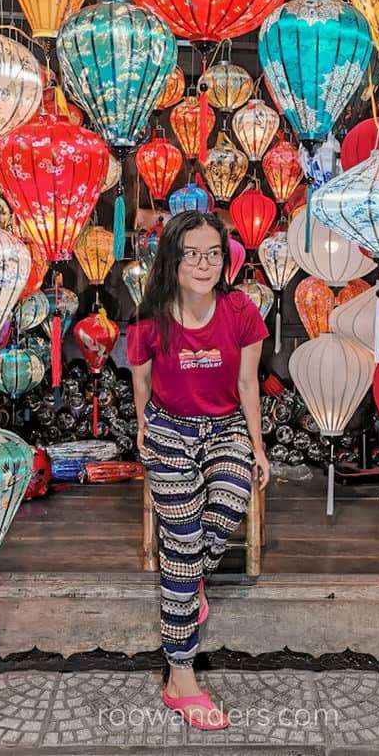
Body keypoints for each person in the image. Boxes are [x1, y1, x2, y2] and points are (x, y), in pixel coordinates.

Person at [127, 210, 270, 730]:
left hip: (226, 427)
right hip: (169, 430)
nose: (204, 263)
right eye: (192, 254)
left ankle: (190, 575)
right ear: (173, 259)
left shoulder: (241, 312)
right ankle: (180, 675)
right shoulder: (148, 322)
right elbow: (142, 387)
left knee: (225, 506)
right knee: (183, 541)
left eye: (213, 253)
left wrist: (256, 446)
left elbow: (250, 385)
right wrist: (144, 429)